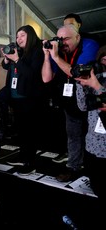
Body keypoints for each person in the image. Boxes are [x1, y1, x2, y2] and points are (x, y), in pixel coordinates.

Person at [42, 24, 99, 182]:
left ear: (77, 37)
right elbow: (46, 78)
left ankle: (92, 170)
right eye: (59, 39)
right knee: (73, 137)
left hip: (91, 104)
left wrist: (56, 58)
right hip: (70, 104)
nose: (62, 43)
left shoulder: (89, 44)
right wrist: (47, 56)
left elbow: (78, 73)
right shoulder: (58, 52)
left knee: (93, 138)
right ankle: (73, 167)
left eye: (66, 39)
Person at [2, 25, 46, 175]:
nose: (18, 39)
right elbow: (4, 66)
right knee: (21, 130)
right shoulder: (20, 51)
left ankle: (30, 162)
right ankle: (22, 156)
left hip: (30, 98)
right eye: (17, 36)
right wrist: (8, 60)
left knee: (30, 132)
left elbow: (32, 75)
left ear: (31, 36)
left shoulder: (37, 51)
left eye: (22, 35)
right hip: (16, 97)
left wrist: (16, 59)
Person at [75, 63, 106, 227]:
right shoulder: (95, 80)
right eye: (103, 61)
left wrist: (97, 86)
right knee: (96, 186)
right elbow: (83, 106)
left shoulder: (98, 84)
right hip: (92, 145)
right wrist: (82, 84)